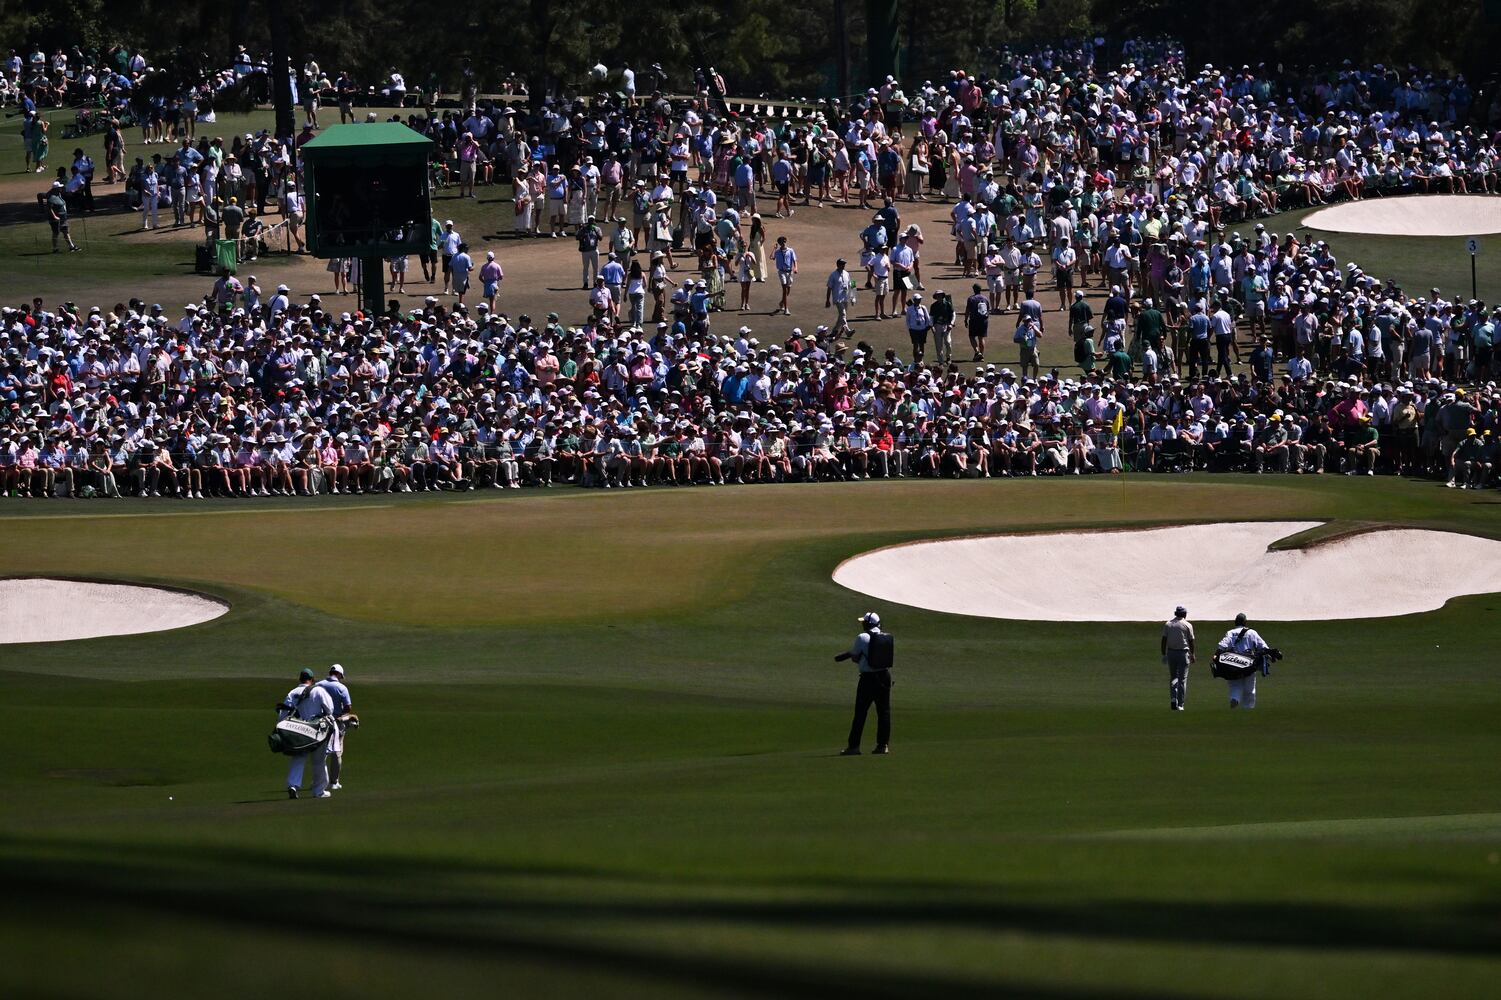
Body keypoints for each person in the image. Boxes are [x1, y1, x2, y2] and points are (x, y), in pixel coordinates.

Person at [835, 611, 893, 756]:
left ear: (867, 624)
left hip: (868, 679)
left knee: (860, 713)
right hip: (884, 677)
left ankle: (854, 747)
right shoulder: (887, 637)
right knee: (883, 712)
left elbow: (854, 657)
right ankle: (883, 745)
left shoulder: (862, 637)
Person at [277, 667, 335, 799]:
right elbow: (330, 709)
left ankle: (293, 785)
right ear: (312, 679)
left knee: (297, 758)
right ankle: (318, 791)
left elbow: (283, 713)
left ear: (300, 679)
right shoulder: (318, 690)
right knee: (319, 761)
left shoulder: (292, 693)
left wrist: (281, 728)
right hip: (315, 731)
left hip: (297, 731)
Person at [1216, 613, 1271, 709]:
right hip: (1248, 664)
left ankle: (1235, 698)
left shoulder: (1230, 633)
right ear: (1245, 622)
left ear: (1235, 622)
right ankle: (1248, 708)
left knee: (1235, 685)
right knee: (1249, 689)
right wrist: (1269, 655)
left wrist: (1216, 656)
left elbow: (1222, 646)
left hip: (1233, 664)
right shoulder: (1252, 632)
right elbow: (1263, 646)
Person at [316, 664, 353, 791]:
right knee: (336, 752)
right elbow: (348, 707)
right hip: (337, 722)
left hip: (320, 722)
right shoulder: (342, 688)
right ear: (339, 674)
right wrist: (343, 715)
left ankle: (318, 781)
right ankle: (333, 782)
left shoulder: (319, 685)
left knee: (321, 752)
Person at [1161, 605, 1196, 711]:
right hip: (1183, 653)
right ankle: (1180, 704)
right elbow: (1191, 641)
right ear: (1184, 614)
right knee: (1182, 680)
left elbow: (1164, 640)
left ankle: (1173, 698)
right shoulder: (1188, 625)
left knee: (1174, 677)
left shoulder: (1168, 624)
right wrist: (1192, 654)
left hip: (1171, 653)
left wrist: (1164, 654)